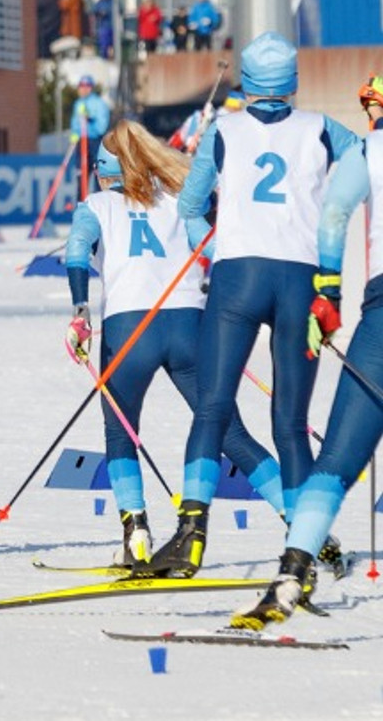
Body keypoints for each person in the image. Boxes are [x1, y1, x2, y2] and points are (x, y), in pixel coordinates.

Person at [152, 33, 361, 577]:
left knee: (213, 407)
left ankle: (190, 536)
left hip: (238, 278)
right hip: (302, 280)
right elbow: (367, 162)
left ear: (246, 83)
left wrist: (220, 250)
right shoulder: (321, 128)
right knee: (290, 423)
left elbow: (192, 208)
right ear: (293, 83)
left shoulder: (222, 129)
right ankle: (302, 548)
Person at [63, 122, 287, 569]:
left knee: (120, 432)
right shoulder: (181, 202)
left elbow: (74, 253)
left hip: (130, 330)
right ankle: (303, 523)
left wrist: (79, 312)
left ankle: (136, 534)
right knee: (231, 433)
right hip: (190, 327)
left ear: (108, 172)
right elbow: (215, 248)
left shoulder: (95, 205)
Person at [234, 74, 383, 628]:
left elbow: (334, 218)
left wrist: (327, 296)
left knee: (336, 465)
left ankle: (290, 577)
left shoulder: (368, 149)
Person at [72, 76, 111, 199]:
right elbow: (74, 122)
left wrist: (89, 119)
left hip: (95, 142)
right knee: (81, 175)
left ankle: (100, 205)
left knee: (97, 174)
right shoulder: (78, 103)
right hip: (81, 141)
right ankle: (81, 206)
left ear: (91, 88)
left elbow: (102, 127)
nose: (83, 90)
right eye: (81, 86)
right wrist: (74, 134)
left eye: (86, 87)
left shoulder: (99, 103)